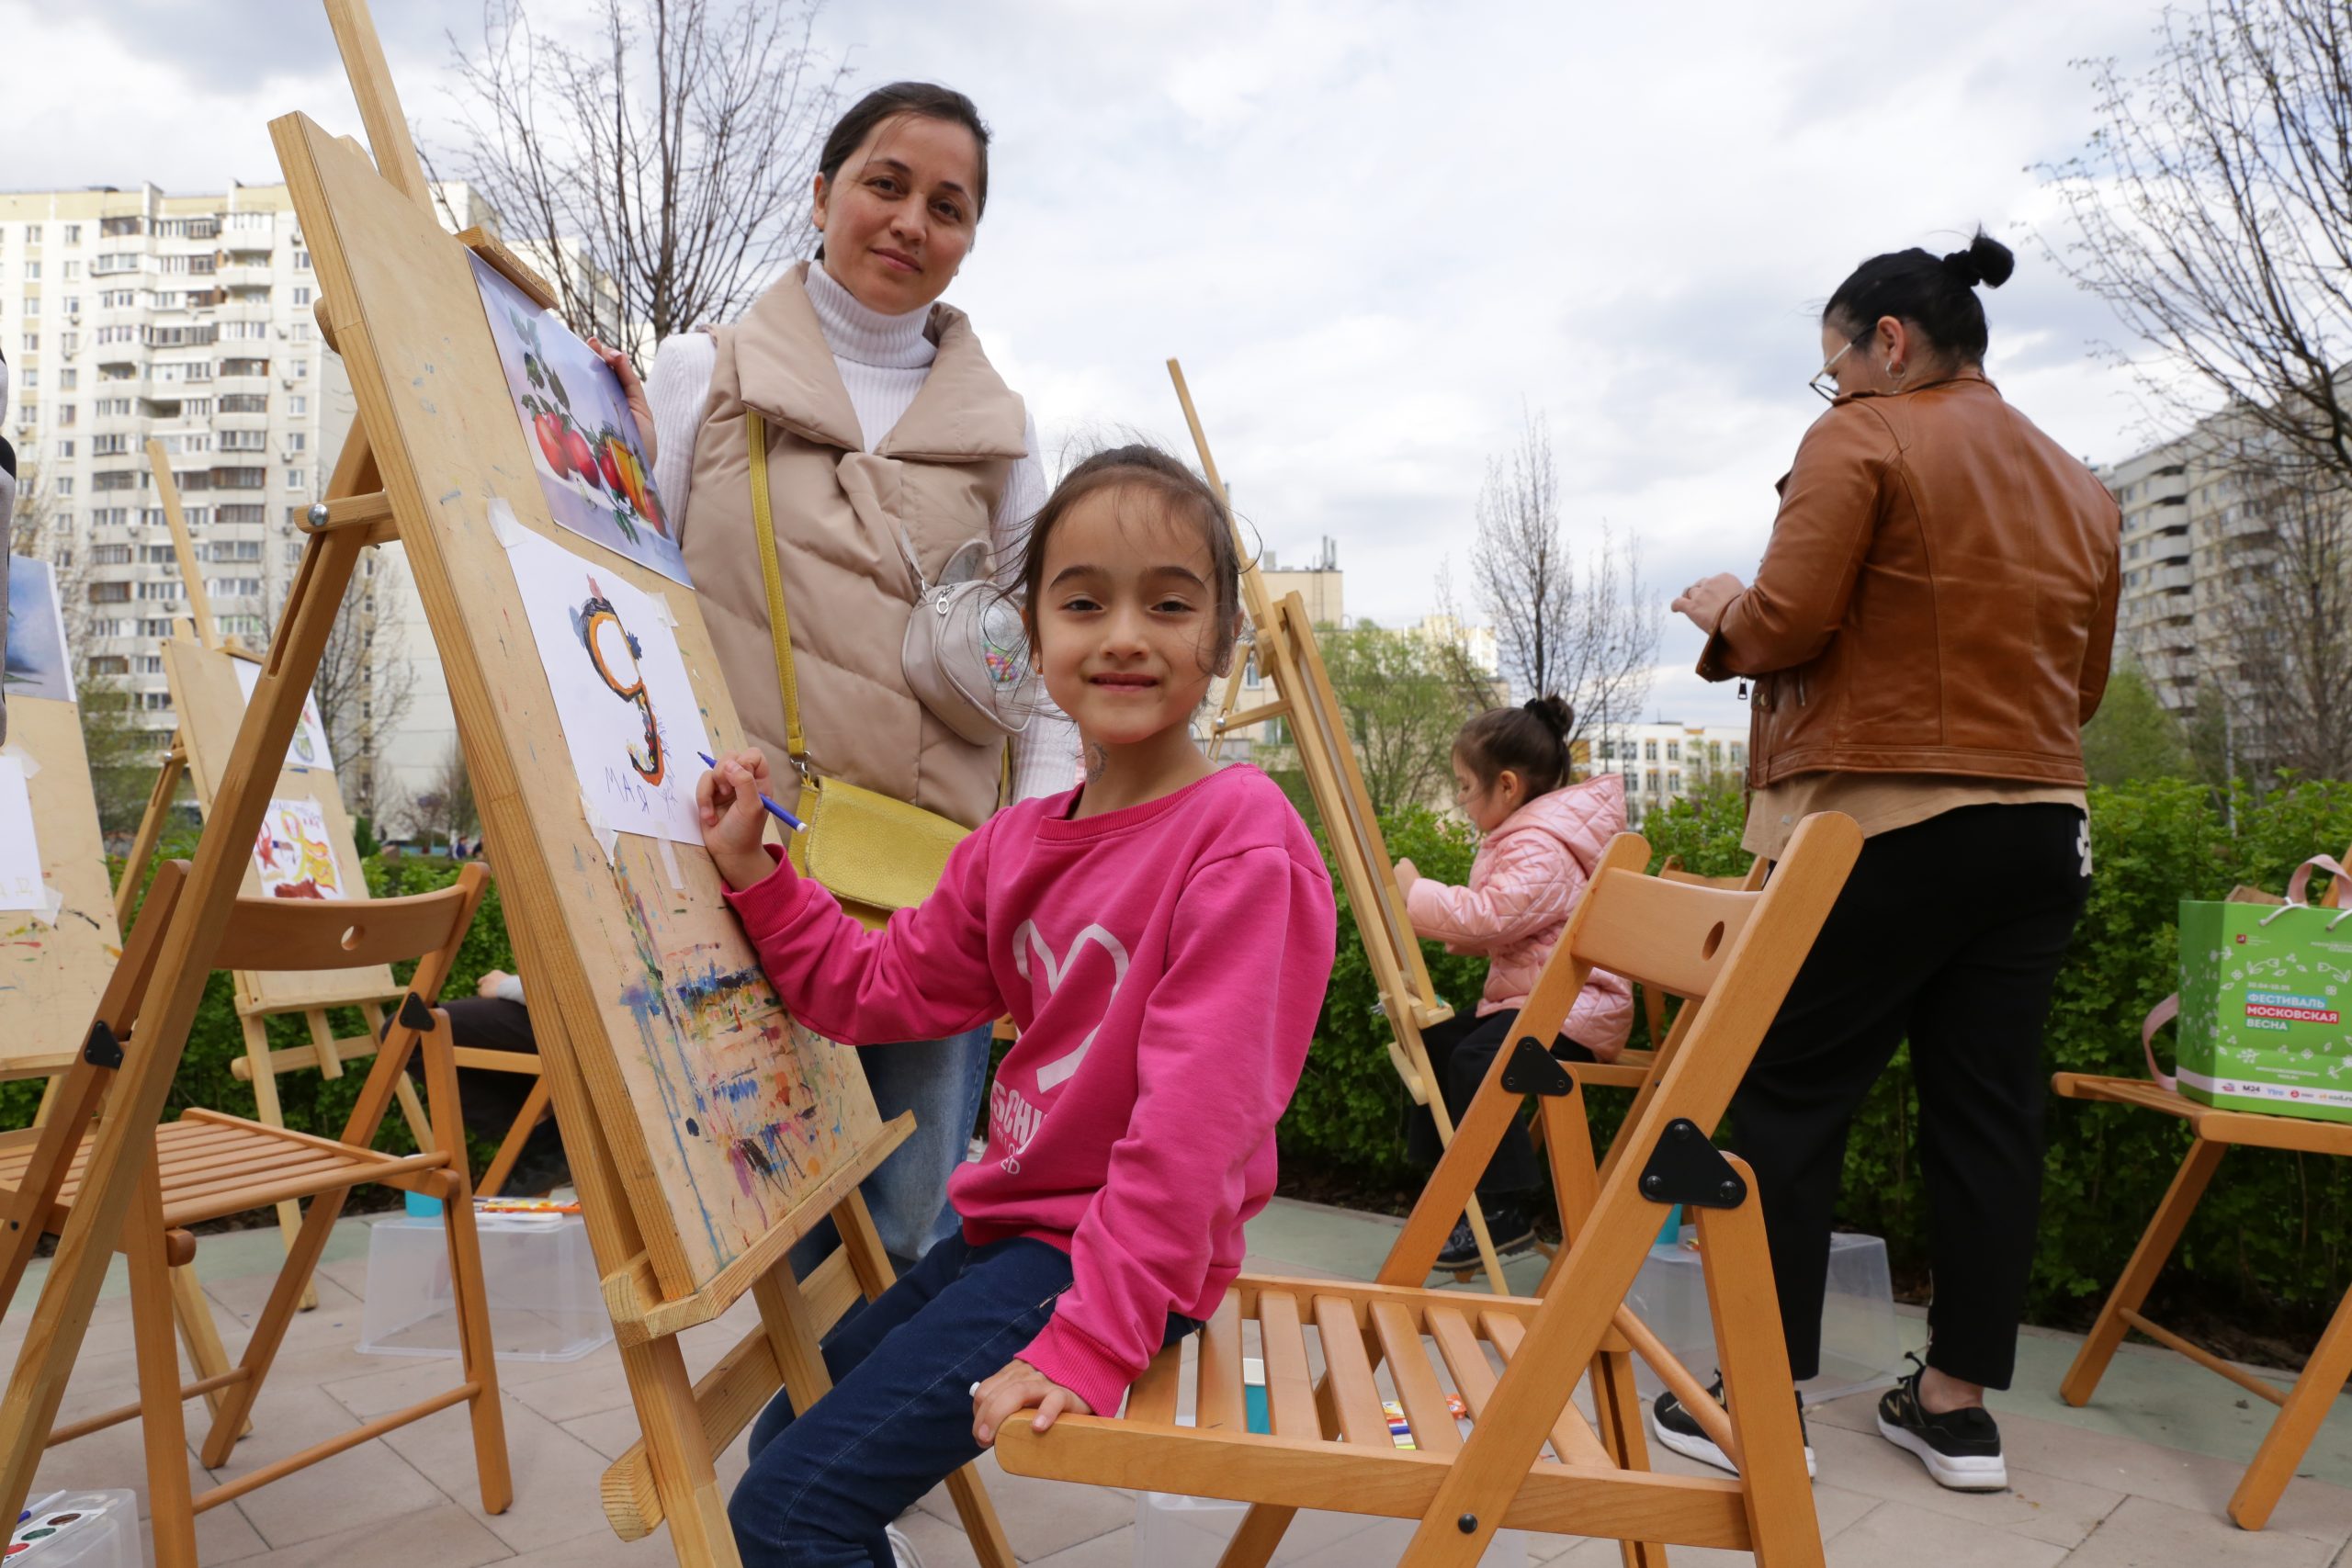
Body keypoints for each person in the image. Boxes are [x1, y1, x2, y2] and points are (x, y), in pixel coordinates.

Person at [440, 82, 1076, 1265]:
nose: (910, 221)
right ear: (824, 191)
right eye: (886, 183)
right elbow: (638, 599)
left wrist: (1033, 854)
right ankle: (808, 1451)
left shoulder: (1004, 434)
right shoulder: (701, 374)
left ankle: (821, 1453)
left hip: (938, 889)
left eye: (949, 205)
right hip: (742, 860)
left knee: (903, 1217)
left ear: (971, 238)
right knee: (761, 1214)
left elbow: (1045, 670)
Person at [700, 445, 1336, 1568]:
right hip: (1011, 1238)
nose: (1125, 633)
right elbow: (870, 990)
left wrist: (1092, 1339)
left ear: (1221, 642)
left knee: (786, 1513)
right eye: (1083, 602)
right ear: (1035, 644)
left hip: (1112, 1262)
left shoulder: (1241, 843)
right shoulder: (1012, 848)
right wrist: (759, 875)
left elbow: (1197, 1134)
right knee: (784, 1440)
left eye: (1170, 603)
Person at [1652, 231, 2120, 1493]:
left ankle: (1760, 1392)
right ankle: (1956, 1405)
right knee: (1989, 1111)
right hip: (2040, 823)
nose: (1836, 388)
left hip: (1886, 815)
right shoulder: (2082, 484)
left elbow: (1792, 617)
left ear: (1889, 343)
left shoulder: (1862, 434)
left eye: (1835, 365)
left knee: (1790, 1094)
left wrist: (1720, 613)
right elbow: (2083, 683)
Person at [1393, 696, 1631, 1271]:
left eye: (1463, 786)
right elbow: (1500, 927)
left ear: (1505, 786)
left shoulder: (1540, 846)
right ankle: (1455, 1187)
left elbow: (1488, 916)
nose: (1460, 800)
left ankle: (1503, 1213)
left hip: (1575, 1010)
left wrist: (1413, 893)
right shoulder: (1528, 837)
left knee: (1481, 1061)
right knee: (1436, 1043)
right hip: (1539, 1004)